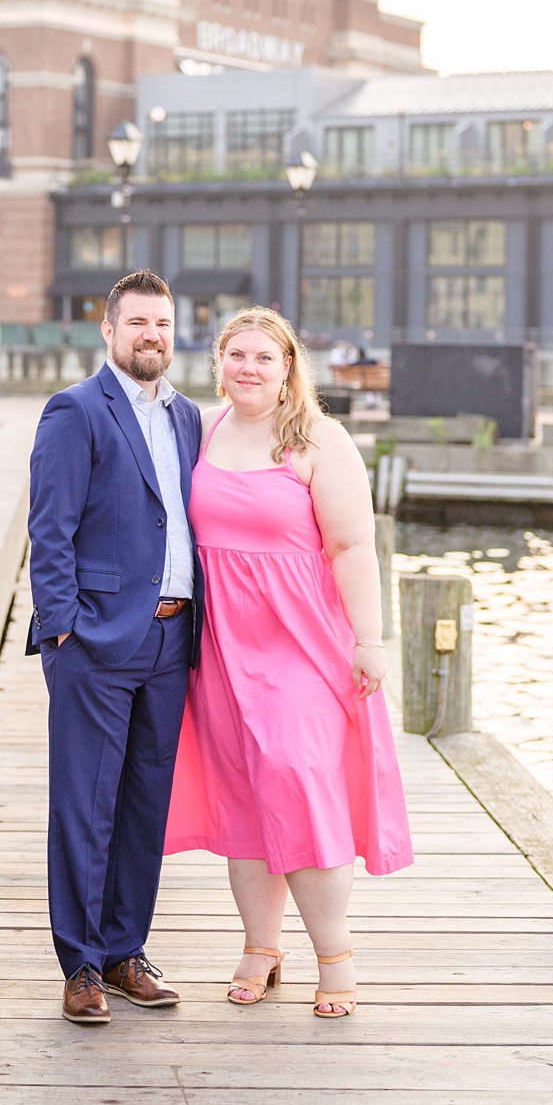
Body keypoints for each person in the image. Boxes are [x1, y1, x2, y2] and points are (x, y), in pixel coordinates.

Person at [165, 305, 411, 1017]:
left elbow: (352, 548)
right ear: (219, 362)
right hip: (220, 644)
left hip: (301, 639)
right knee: (243, 791)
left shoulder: (319, 440)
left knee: (301, 783)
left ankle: (334, 955)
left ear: (288, 368)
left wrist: (370, 639)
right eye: (236, 356)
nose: (248, 368)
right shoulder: (201, 430)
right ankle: (260, 944)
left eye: (263, 358)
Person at [24, 268, 204, 1025]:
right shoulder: (76, 411)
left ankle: (128, 952)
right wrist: (63, 629)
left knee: (142, 805)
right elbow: (49, 529)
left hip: (172, 639)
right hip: (96, 640)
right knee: (83, 804)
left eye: (161, 324)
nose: (151, 336)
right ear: (109, 330)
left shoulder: (190, 417)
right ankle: (83, 965)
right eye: (137, 324)